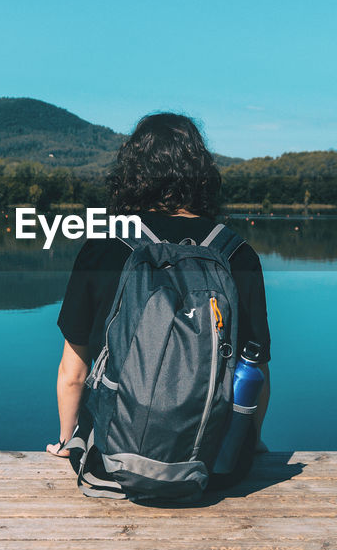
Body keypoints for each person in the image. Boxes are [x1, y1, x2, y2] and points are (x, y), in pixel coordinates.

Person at [47, 112, 271, 489]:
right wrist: (249, 443)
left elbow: (74, 373)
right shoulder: (237, 253)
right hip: (215, 470)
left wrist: (68, 441)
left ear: (132, 173)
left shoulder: (103, 248)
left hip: (112, 466)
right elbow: (256, 372)